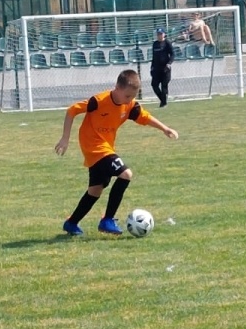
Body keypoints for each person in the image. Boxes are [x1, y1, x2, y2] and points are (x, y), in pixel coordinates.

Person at [55, 69, 178, 236]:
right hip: (95, 148)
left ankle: (71, 223)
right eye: (127, 96)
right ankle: (107, 220)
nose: (130, 100)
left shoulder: (129, 105)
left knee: (95, 190)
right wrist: (65, 138)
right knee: (126, 174)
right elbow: (72, 111)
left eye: (133, 96)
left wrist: (165, 128)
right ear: (117, 88)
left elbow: (145, 117)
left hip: (104, 149)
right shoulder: (99, 101)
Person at [150, 27, 174, 107]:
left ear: (164, 34)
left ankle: (163, 103)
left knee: (164, 85)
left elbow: (172, 54)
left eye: (160, 34)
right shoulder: (155, 44)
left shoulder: (167, 43)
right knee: (154, 85)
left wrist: (169, 63)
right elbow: (154, 57)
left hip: (165, 69)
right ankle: (163, 101)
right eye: (158, 34)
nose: (159, 35)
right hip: (156, 69)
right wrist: (152, 67)